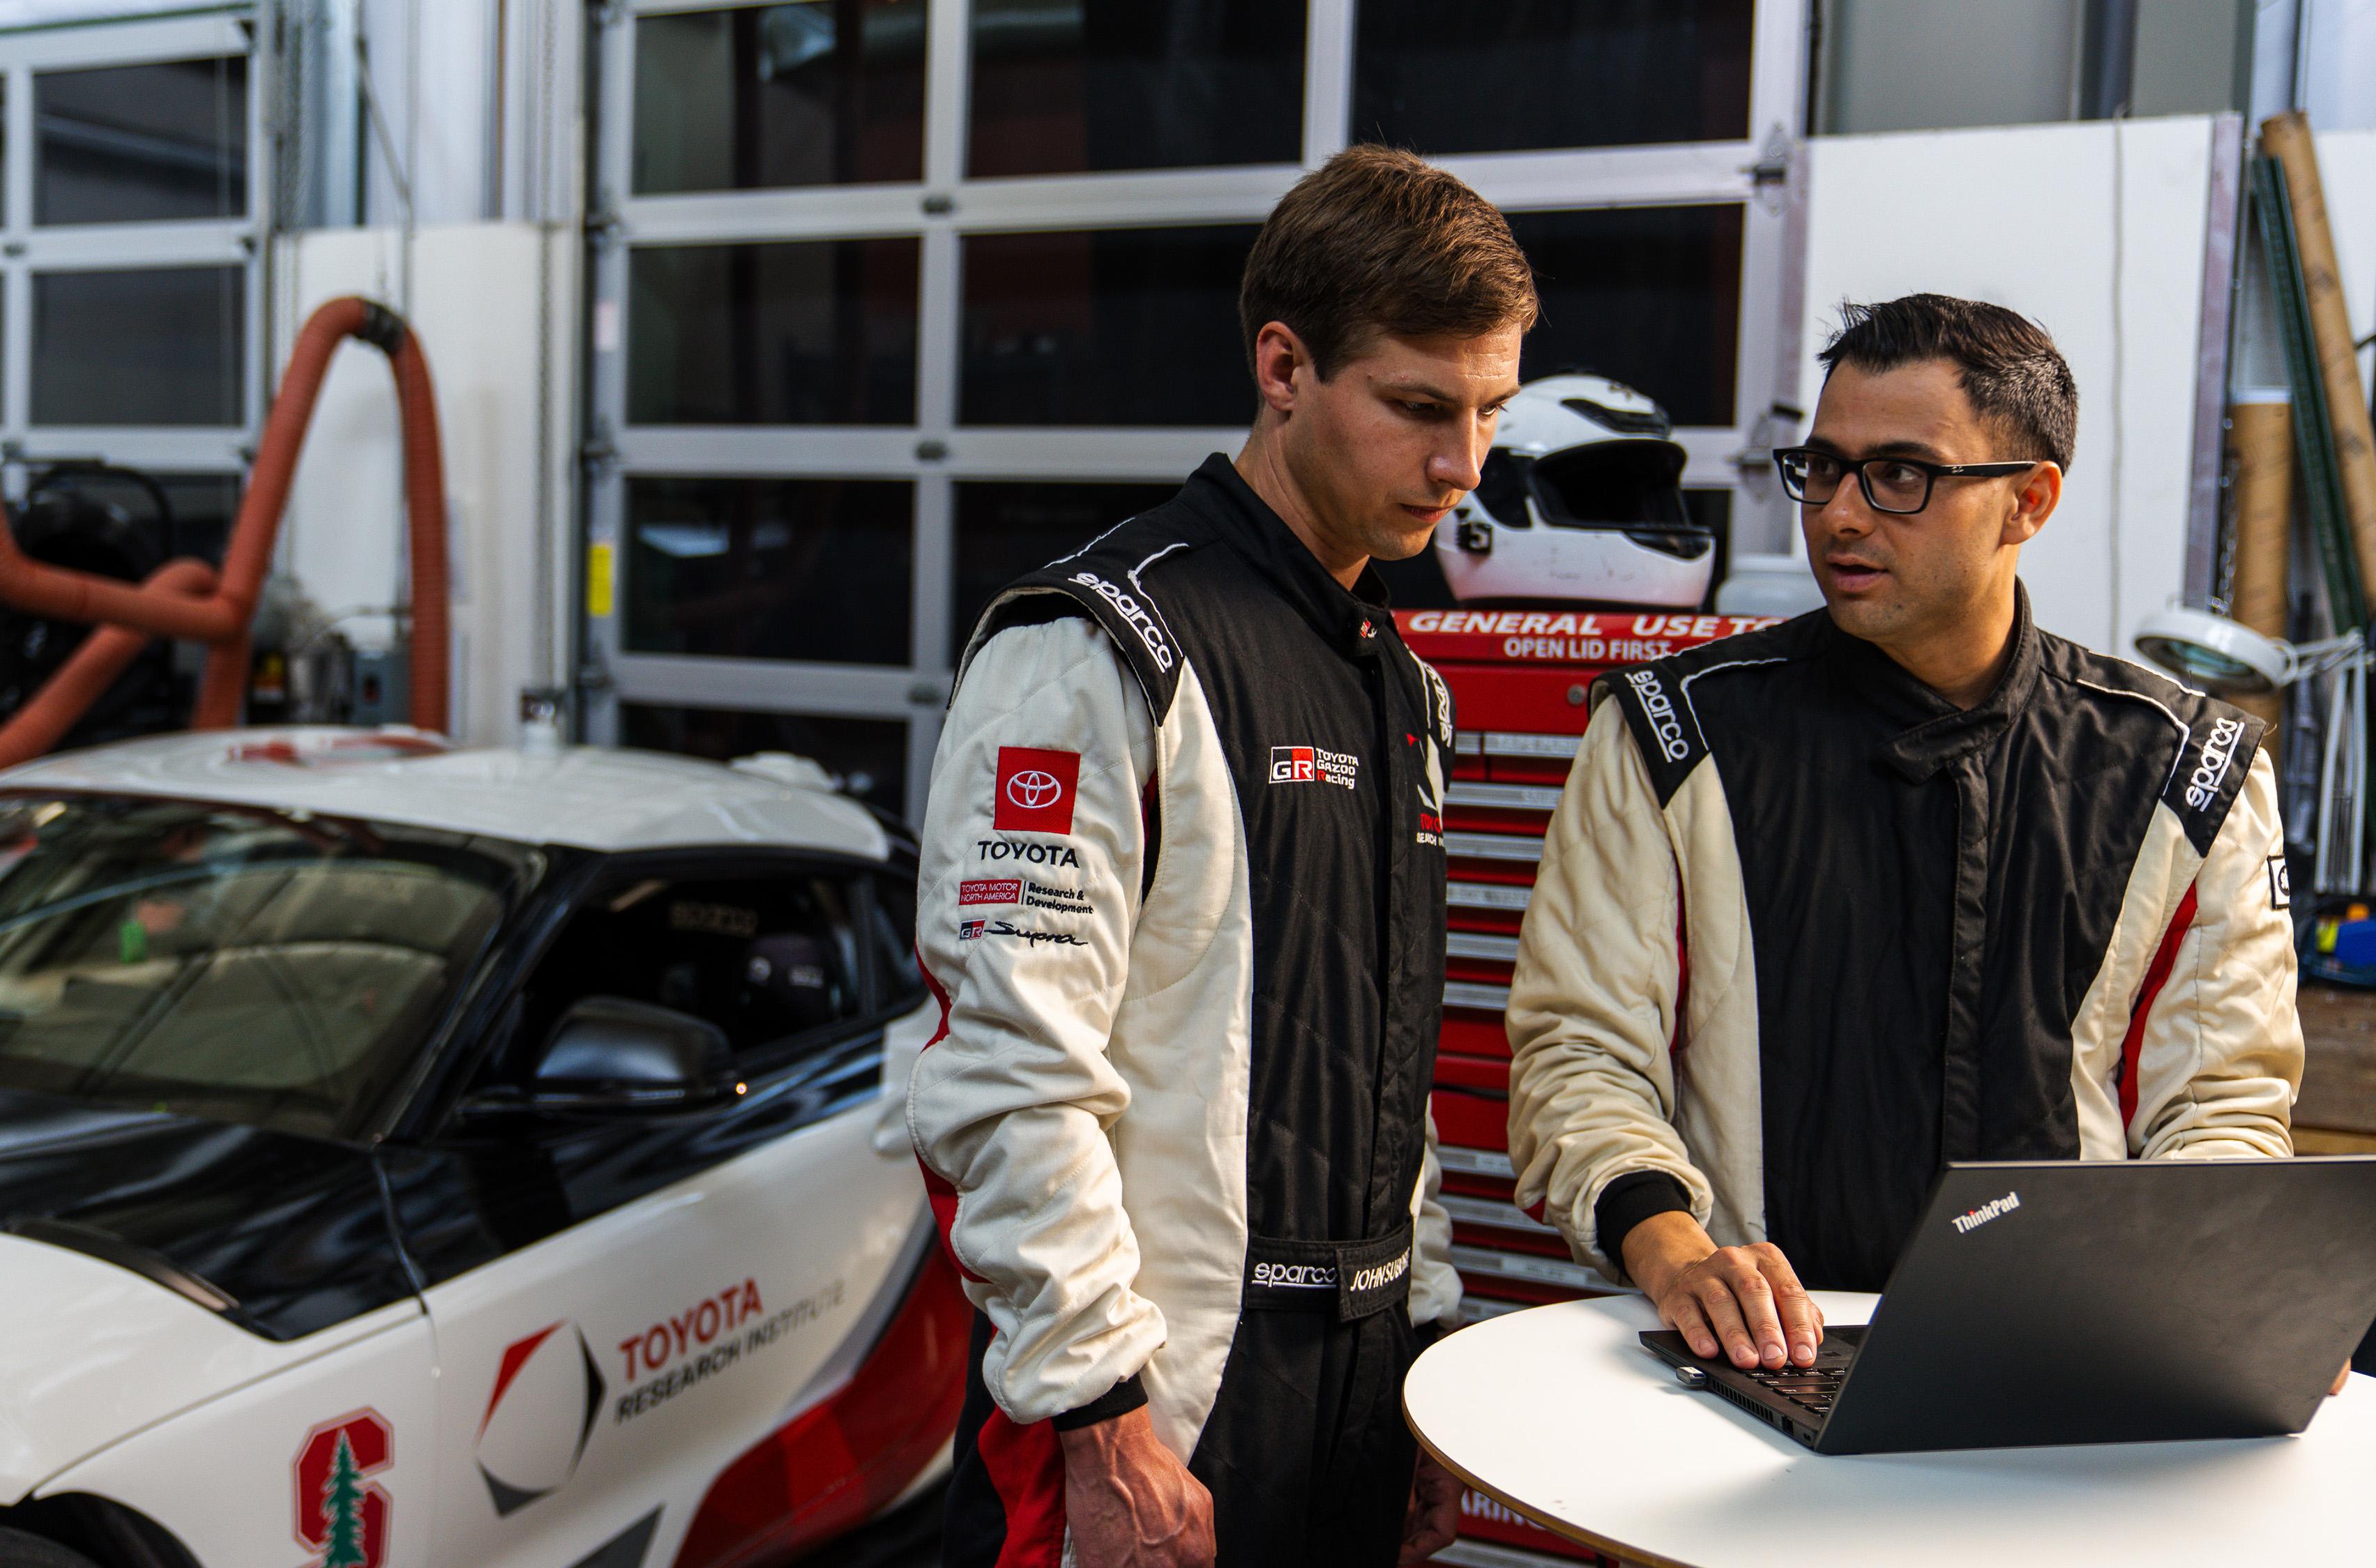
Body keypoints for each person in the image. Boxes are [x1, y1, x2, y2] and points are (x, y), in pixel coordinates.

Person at [907, 145, 1531, 1567]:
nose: (1461, 466)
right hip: (1154, 1407)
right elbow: (1008, 1074)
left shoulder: (1398, 681)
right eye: (1418, 408)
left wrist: (1420, 1348)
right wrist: (1097, 1414)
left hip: (1356, 1392)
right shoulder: (1089, 649)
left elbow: (1389, 1061)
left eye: (1488, 411)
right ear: (1282, 365)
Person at [1508, 294, 2303, 1378]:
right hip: (1750, 1366)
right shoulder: (1672, 733)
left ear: (2030, 501)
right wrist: (1676, 1250)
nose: (1840, 513)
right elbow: (1579, 1053)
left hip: (2066, 1364)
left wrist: (2224, 1282)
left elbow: (2219, 1101)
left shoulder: (2187, 769)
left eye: (1900, 475)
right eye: (1823, 468)